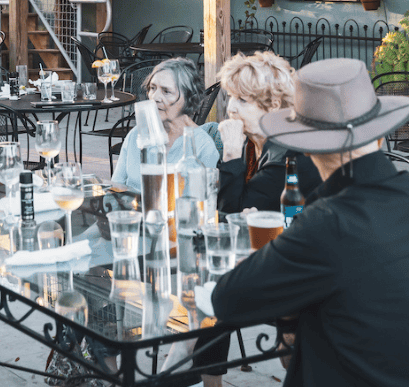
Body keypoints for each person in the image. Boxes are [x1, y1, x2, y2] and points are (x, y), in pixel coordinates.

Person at [212, 58, 409, 387]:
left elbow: (227, 300)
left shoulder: (326, 224)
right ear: (375, 133)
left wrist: (288, 319)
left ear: (304, 141)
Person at [217, 51, 320, 212]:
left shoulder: (287, 158)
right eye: (231, 96)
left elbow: (233, 215)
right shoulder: (251, 141)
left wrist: (231, 154)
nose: (231, 108)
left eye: (242, 100)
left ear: (274, 105)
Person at [112, 58, 218, 192]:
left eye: (166, 91)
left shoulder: (203, 147)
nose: (155, 97)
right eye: (152, 88)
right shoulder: (136, 135)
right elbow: (116, 188)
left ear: (189, 98)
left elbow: (201, 203)